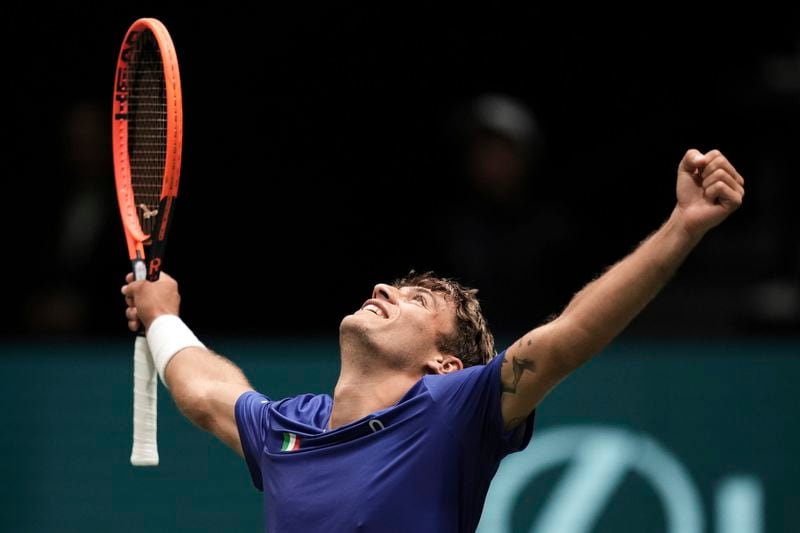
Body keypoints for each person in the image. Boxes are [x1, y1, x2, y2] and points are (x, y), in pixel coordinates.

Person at [121, 148, 745, 532]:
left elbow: (572, 335)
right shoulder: (289, 430)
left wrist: (681, 228)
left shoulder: (453, 411)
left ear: (445, 364)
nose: (384, 291)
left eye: (416, 299)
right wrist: (161, 317)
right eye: (395, 287)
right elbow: (207, 392)